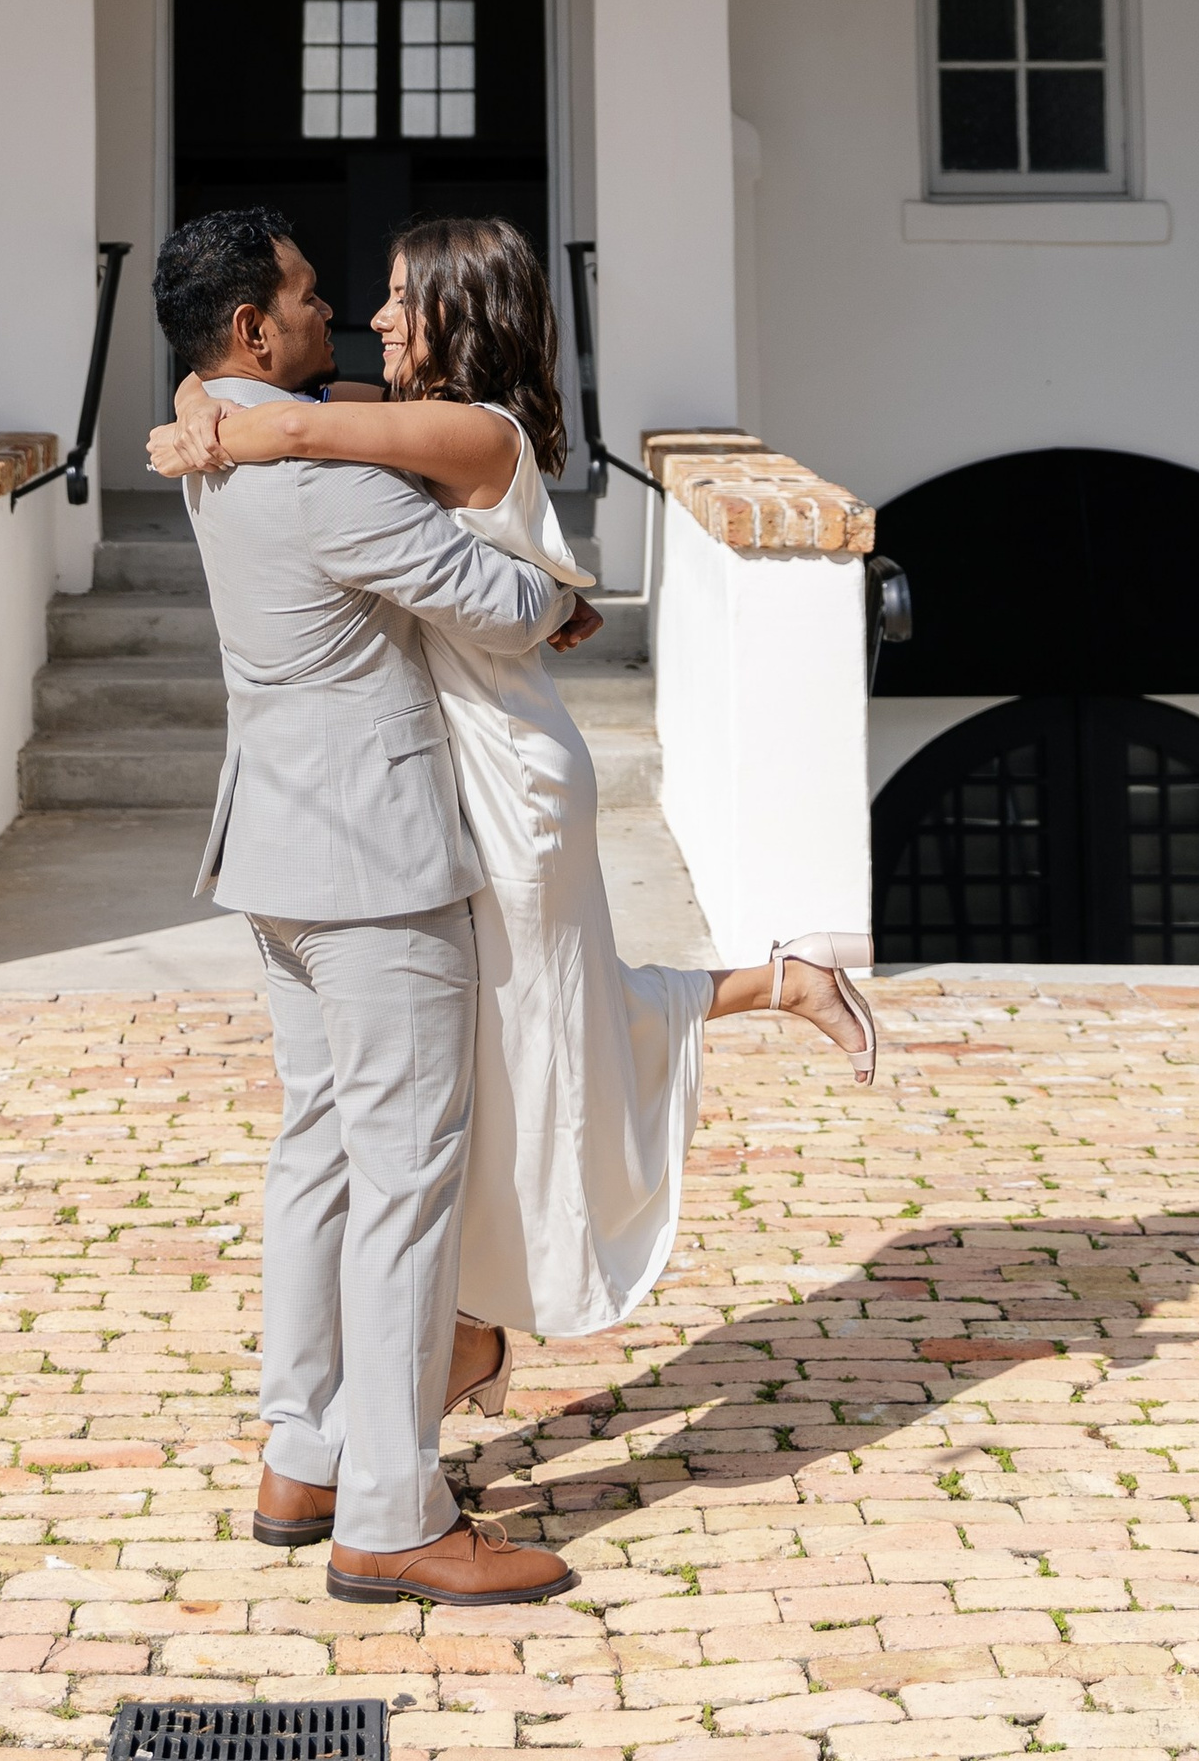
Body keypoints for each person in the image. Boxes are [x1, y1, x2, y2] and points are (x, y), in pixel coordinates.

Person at [151, 214, 877, 1376]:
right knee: (510, 1039)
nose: (369, 317)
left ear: (458, 311)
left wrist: (207, 409)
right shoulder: (392, 423)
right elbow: (282, 407)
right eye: (361, 294)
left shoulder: (469, 429)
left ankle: (469, 1329)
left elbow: (288, 422)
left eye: (400, 296)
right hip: (446, 760)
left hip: (504, 764)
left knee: (534, 1037)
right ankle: (778, 985)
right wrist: (201, 394)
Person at [151, 204, 581, 1612]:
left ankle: (304, 1454)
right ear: (249, 329)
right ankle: (394, 1512)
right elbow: (501, 604)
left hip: (275, 852)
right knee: (405, 1181)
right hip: (376, 871)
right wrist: (557, 596)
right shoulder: (321, 482)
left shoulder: (215, 438)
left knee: (321, 1158)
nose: (329, 313)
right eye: (304, 296)